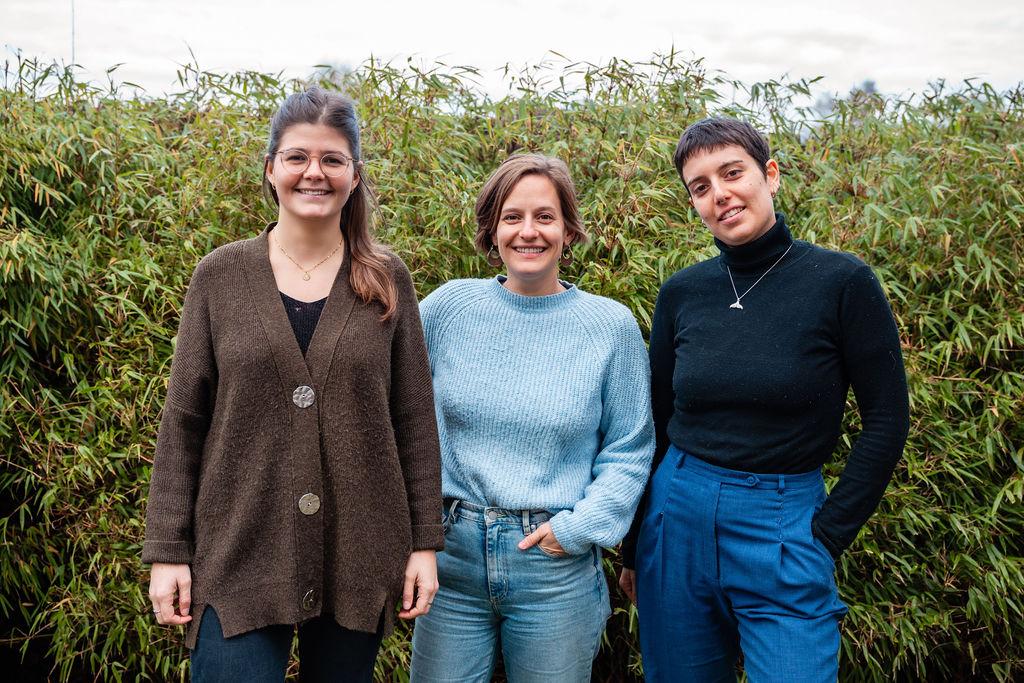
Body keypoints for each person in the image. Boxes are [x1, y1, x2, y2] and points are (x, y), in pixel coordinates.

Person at [142, 87, 443, 682]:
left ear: (355, 175)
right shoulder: (221, 277)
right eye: (298, 157)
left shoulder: (386, 278)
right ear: (271, 169)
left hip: (360, 547)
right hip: (239, 550)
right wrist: (168, 552)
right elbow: (183, 423)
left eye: (332, 159)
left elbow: (413, 418)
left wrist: (423, 542)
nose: (315, 172)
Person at [618, 117, 910, 682]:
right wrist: (635, 547)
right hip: (675, 518)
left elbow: (887, 419)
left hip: (783, 523)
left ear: (769, 175)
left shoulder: (843, 282)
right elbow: (653, 421)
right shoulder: (682, 292)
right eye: (700, 187)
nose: (720, 194)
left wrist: (825, 539)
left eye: (733, 173)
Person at [409, 154, 655, 682]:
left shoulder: (609, 327)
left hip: (554, 567)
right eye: (512, 217)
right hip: (450, 557)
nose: (528, 232)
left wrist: (578, 529)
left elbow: (630, 448)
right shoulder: (448, 309)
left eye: (545, 217)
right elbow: (395, 408)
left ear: (568, 230)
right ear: (492, 230)